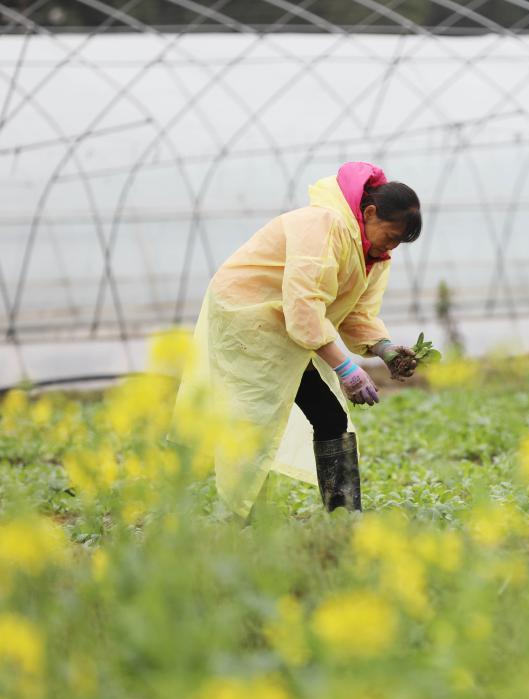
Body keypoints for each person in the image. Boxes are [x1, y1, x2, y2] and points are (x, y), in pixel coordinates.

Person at [172, 162, 421, 517]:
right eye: (392, 235)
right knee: (254, 420)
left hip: (284, 325)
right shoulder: (323, 225)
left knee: (330, 417)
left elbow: (355, 311)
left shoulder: (373, 255)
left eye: (399, 241)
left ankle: (344, 517)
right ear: (369, 213)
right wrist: (346, 367)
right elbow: (304, 305)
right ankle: (246, 519)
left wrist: (383, 348)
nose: (392, 245)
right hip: (248, 317)